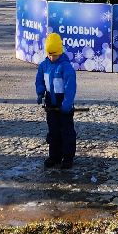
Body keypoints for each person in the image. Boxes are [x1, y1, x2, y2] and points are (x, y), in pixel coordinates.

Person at [36, 32, 78, 169]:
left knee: (66, 131)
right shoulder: (44, 66)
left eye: (54, 55)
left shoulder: (66, 68)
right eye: (50, 54)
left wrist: (67, 103)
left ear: (60, 52)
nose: (52, 57)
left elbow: (70, 87)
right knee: (53, 130)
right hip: (50, 101)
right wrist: (40, 92)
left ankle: (68, 157)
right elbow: (40, 80)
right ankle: (54, 156)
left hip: (63, 101)